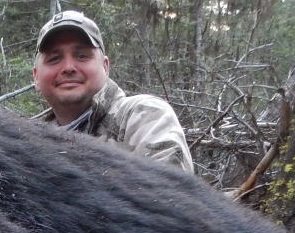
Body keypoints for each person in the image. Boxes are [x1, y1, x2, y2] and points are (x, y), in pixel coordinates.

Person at [31, 11, 194, 174]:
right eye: (54, 59)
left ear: (105, 67)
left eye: (81, 56)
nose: (68, 67)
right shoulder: (27, 139)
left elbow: (170, 195)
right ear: (36, 77)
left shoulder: (142, 117)